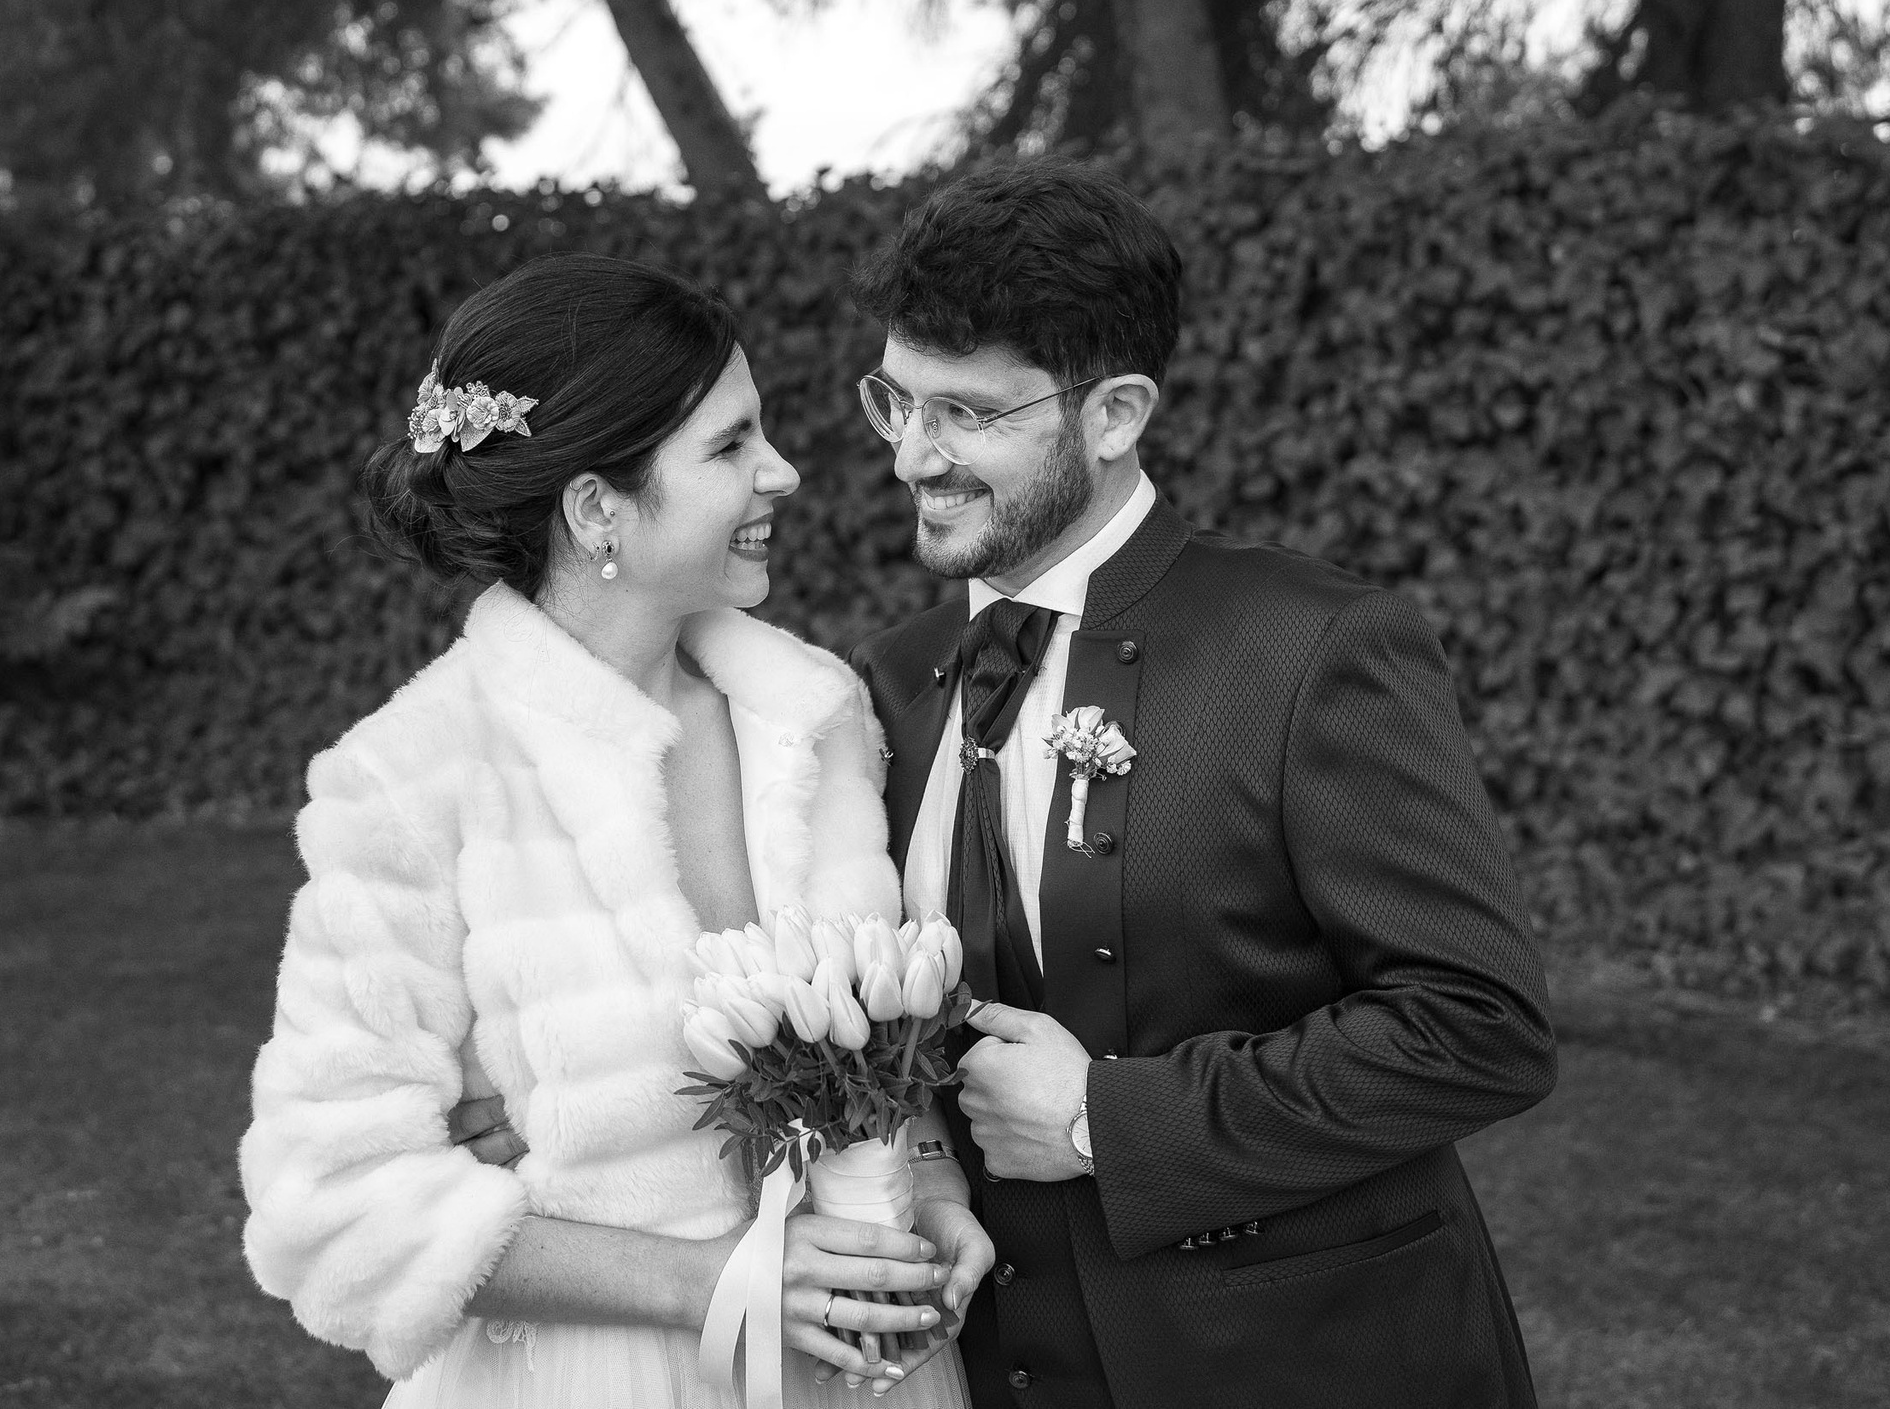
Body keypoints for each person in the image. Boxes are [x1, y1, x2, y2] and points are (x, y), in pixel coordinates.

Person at [845, 163, 1559, 1409]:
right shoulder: (896, 680)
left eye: (967, 413)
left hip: (1300, 1365)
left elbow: (1477, 1027)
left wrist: (1104, 1121)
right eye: (894, 401)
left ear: (1114, 414)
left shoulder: (1310, 649)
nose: (914, 456)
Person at [239, 255, 990, 1408]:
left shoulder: (819, 720)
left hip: (863, 1371)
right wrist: (712, 1281)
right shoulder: (409, 779)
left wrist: (929, 1189)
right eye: (731, 446)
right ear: (598, 506)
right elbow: (332, 1204)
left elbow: (876, 1033)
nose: (783, 473)